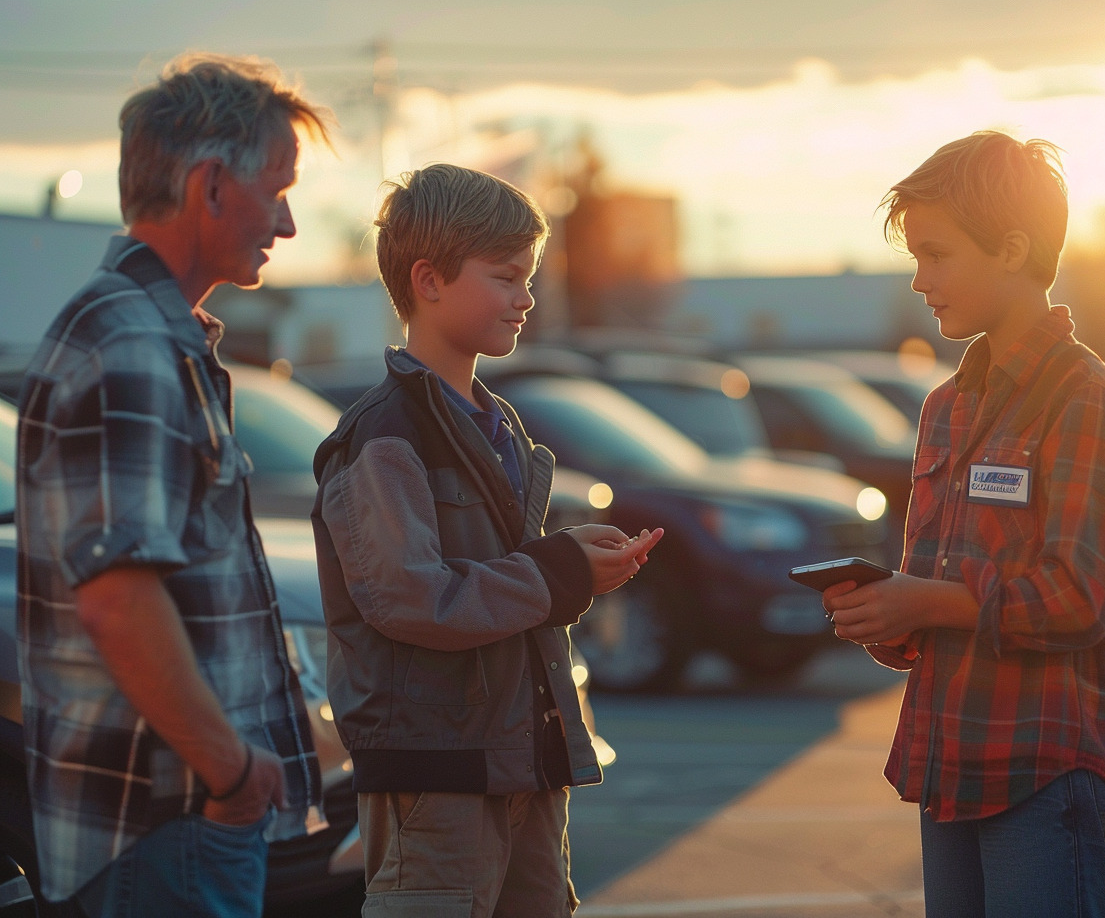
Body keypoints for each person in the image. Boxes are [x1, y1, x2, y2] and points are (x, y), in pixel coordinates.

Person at [15, 53, 333, 916]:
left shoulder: (155, 335)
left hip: (176, 819)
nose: (290, 222)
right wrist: (230, 769)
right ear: (212, 186)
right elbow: (118, 599)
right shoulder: (129, 344)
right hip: (163, 821)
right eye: (278, 189)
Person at [823, 130, 1105, 917]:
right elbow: (932, 592)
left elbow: (1078, 599)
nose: (920, 281)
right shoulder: (948, 407)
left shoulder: (1091, 404)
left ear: (1012, 249)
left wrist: (931, 602)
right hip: (950, 768)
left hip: (1044, 773)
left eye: (936, 256)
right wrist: (884, 615)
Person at [310, 162, 663, 918]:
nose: (526, 297)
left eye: (527, 277)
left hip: (518, 765)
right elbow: (413, 599)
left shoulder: (498, 425)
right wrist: (560, 572)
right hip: (434, 777)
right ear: (429, 279)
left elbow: (502, 581)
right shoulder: (385, 435)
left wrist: (571, 565)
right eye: (505, 276)